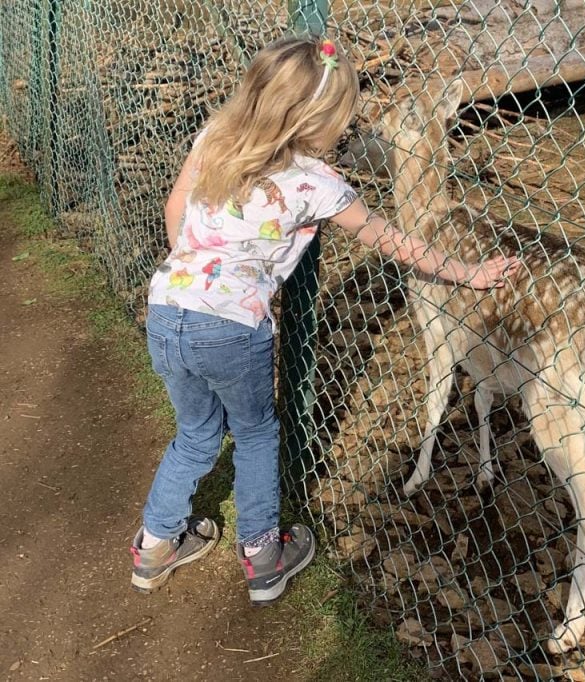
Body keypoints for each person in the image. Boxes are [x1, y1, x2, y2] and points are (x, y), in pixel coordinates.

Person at [131, 35, 520, 604]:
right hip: (234, 328)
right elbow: (391, 240)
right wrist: (469, 272)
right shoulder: (317, 183)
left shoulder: (214, 138)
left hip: (167, 310)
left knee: (194, 433)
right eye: (342, 119)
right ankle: (264, 557)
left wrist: (194, 281)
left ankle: (155, 548)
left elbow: (175, 208)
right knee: (258, 434)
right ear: (317, 121)